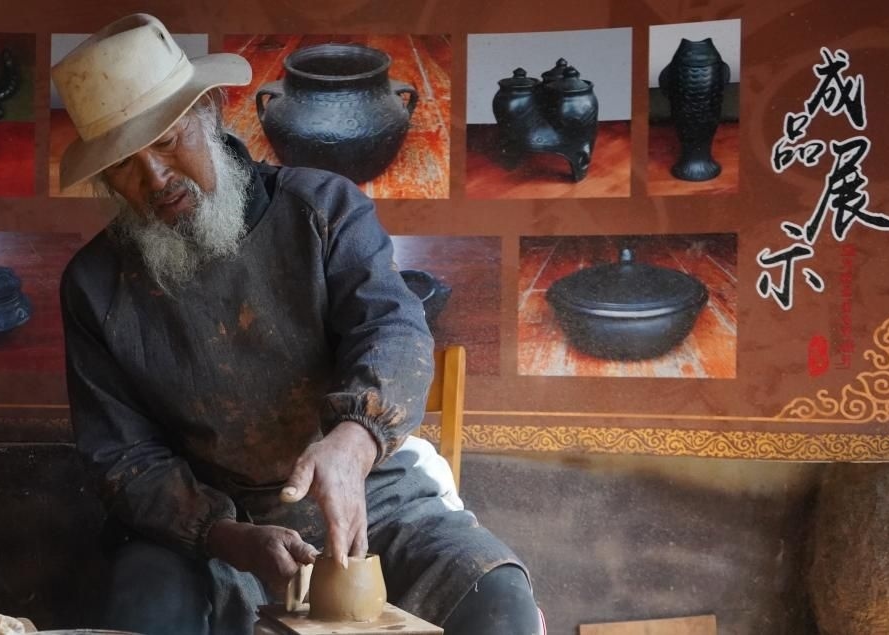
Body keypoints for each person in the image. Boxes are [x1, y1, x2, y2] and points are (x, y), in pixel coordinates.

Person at [54, 13, 544, 635]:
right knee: (149, 611)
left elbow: (392, 330)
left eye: (169, 141)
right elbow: (124, 459)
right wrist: (224, 535)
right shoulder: (94, 286)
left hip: (374, 490)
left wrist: (353, 442)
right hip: (207, 519)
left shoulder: (323, 209)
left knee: (497, 603)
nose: (155, 176)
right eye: (125, 163)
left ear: (209, 112)